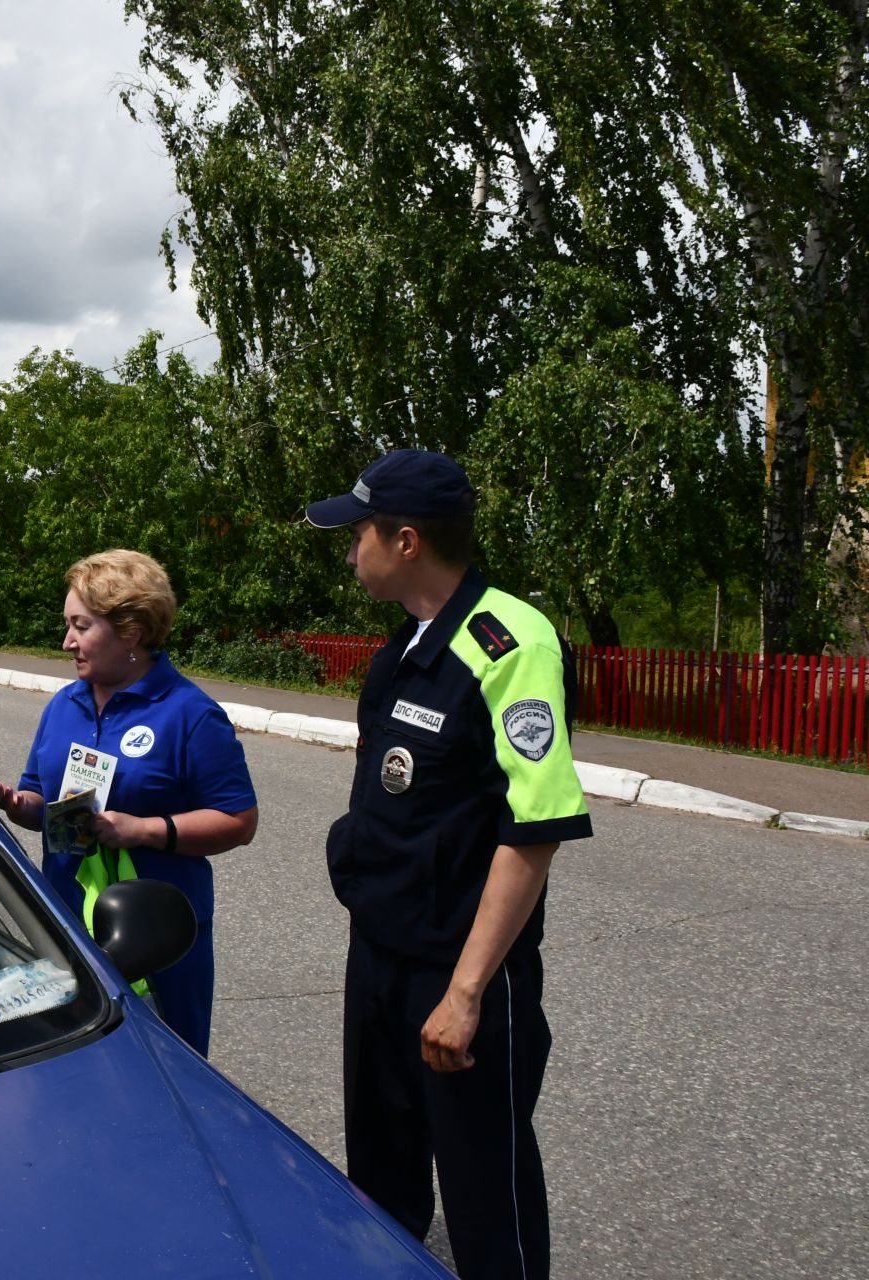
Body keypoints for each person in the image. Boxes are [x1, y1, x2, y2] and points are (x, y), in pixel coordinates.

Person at [305, 449, 593, 1280]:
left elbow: (533, 828)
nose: (347, 545)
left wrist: (465, 995)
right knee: (382, 1190)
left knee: (485, 1205)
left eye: (355, 531)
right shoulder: (405, 647)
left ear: (403, 541)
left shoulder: (511, 642)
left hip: (460, 973)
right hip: (382, 960)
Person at [0, 549, 258, 1056]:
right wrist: (18, 804)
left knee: (162, 1072)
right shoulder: (66, 704)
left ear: (131, 630)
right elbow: (44, 799)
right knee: (73, 1067)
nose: (67, 642)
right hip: (68, 927)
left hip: (160, 940)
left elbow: (238, 820)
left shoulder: (190, 714)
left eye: (81, 627)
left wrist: (145, 830)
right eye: (68, 625)